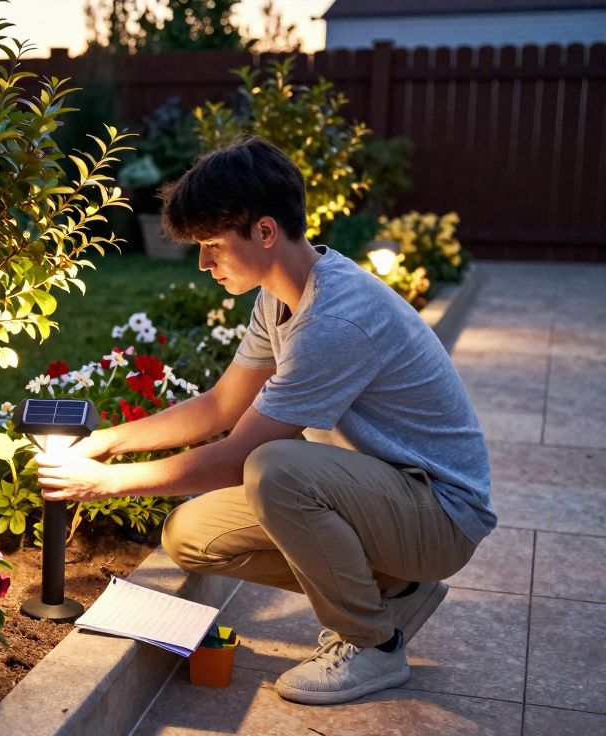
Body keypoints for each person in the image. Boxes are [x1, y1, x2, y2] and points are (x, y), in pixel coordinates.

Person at [35, 136, 494, 705]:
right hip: (388, 495)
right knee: (191, 535)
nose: (204, 262)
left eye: (212, 245)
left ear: (266, 231)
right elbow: (219, 406)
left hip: (442, 514)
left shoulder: (334, 320)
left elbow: (234, 459)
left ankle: (371, 643)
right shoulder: (280, 296)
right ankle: (397, 587)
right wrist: (108, 443)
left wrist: (106, 484)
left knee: (275, 468)